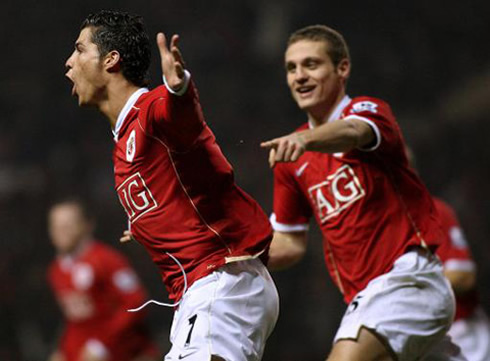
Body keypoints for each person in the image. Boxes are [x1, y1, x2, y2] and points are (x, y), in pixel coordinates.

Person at [64, 10, 278, 361]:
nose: (69, 62)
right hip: (203, 293)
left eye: (79, 50)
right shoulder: (123, 143)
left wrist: (180, 87)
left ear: (111, 59)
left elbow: (180, 115)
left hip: (220, 283)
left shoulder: (150, 111)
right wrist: (150, 224)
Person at [261, 25, 465, 360]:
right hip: (370, 296)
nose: (299, 76)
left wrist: (304, 140)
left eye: (311, 64)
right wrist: (232, 254)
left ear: (342, 69)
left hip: (407, 281)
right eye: (291, 68)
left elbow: (353, 132)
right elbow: (289, 242)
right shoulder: (291, 162)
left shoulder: (368, 112)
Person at [47, 198, 159, 361]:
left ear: (86, 225)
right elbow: (76, 320)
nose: (61, 231)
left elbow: (135, 302)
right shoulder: (56, 271)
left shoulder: (107, 260)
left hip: (127, 351)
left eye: (68, 225)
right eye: (56, 226)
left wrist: (102, 345)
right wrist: (63, 350)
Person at [433, 197, 490, 361]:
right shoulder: (371, 223)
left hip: (463, 335)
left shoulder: (431, 209)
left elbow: (464, 277)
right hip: (416, 341)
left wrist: (410, 287)